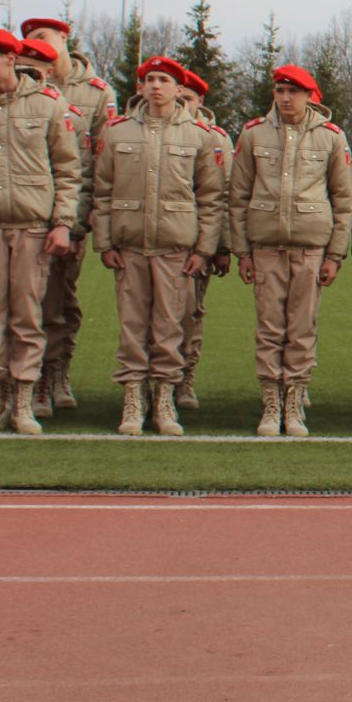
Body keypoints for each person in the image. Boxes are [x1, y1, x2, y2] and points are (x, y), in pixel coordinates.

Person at [0, 28, 81, 435]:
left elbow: (68, 170)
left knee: (26, 314)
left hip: (31, 227)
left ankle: (23, 401)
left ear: (10, 60)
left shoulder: (48, 105)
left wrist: (62, 223)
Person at [93, 56, 222, 435]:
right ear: (141, 86)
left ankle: (165, 399)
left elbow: (211, 199)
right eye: (149, 79)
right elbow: (102, 192)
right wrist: (104, 242)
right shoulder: (116, 132)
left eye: (164, 80)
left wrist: (203, 249)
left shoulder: (199, 135)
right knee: (132, 326)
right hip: (130, 245)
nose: (155, 86)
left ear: (179, 89)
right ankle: (134, 399)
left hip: (175, 249)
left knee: (169, 326)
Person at [229, 64, 352, 437]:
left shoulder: (331, 137)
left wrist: (335, 255)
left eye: (293, 92)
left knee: (301, 329)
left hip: (309, 249)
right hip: (266, 246)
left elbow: (344, 200)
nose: (285, 98)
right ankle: (271, 403)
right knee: (269, 328)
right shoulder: (253, 134)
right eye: (280, 91)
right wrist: (243, 252)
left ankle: (295, 402)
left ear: (309, 96)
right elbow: (237, 196)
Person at [20, 17, 116, 417]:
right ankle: (27, 379)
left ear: (64, 39)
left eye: (42, 38)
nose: (33, 47)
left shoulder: (96, 93)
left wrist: (80, 219)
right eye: (26, 43)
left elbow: (101, 158)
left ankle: (56, 373)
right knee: (24, 302)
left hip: (68, 212)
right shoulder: (18, 84)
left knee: (60, 300)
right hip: (24, 210)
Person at [174, 69, 233, 411]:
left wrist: (220, 247)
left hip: (199, 242)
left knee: (190, 313)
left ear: (200, 102)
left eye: (188, 100)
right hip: (164, 237)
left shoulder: (216, 138)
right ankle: (156, 382)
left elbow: (222, 196)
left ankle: (184, 379)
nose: (182, 105)